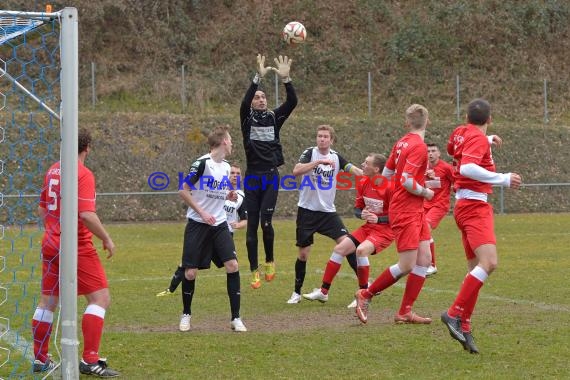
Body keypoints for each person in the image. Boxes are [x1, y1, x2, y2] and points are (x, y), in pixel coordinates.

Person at [32, 129, 120, 376]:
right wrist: (107, 238)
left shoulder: (53, 169)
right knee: (100, 298)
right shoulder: (82, 173)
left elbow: (41, 210)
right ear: (87, 147)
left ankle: (40, 359)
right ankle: (90, 360)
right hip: (75, 245)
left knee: (47, 301)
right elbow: (86, 215)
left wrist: (54, 228)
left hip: (50, 242)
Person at [441, 99, 521, 354]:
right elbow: (466, 166)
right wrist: (503, 179)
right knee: (489, 263)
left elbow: (455, 150)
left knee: (475, 269)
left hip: (462, 206)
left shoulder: (461, 132)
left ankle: (464, 324)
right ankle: (454, 314)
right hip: (475, 207)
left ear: (466, 116)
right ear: (489, 119)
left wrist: (485, 140)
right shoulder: (474, 136)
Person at [354, 104, 434, 325]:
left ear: (407, 122)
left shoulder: (401, 142)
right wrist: (425, 191)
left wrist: (414, 178)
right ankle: (365, 294)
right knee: (407, 264)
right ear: (428, 121)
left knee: (424, 259)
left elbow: (388, 173)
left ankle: (405, 312)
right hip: (407, 209)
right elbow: (407, 181)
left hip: (413, 209)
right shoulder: (419, 146)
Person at [177, 125, 247, 332]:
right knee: (190, 273)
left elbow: (216, 192)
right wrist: (201, 212)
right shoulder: (201, 164)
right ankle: (186, 315)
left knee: (233, 265)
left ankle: (236, 318)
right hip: (198, 225)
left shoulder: (226, 167)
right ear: (224, 142)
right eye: (231, 140)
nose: (232, 143)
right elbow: (183, 190)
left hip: (219, 224)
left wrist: (229, 195)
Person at [302, 153, 393, 306]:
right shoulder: (364, 182)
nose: (362, 165)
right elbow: (357, 209)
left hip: (385, 231)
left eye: (366, 162)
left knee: (361, 251)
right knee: (339, 249)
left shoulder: (390, 187)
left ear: (376, 168)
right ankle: (323, 292)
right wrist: (362, 214)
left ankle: (364, 295)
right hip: (368, 228)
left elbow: (399, 215)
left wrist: (380, 219)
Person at [285, 125, 363, 304]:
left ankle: (364, 288)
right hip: (307, 211)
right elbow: (296, 170)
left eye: (325, 136)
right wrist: (318, 163)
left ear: (331, 140)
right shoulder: (310, 153)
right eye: (319, 136)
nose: (321, 139)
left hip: (328, 213)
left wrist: (371, 175)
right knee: (303, 254)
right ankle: (296, 293)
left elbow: (355, 170)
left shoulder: (336, 157)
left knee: (348, 245)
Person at [240, 54, 298, 289]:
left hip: (271, 175)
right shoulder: (247, 117)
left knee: (266, 222)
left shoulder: (274, 117)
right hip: (252, 176)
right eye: (257, 97)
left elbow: (292, 102)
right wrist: (256, 79)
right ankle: (254, 271)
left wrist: (286, 79)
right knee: (251, 225)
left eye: (263, 96)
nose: (261, 99)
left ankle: (270, 261)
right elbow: (243, 103)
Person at [156, 163, 246, 297]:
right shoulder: (213, 191)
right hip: (205, 231)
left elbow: (246, 219)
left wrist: (238, 225)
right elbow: (191, 193)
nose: (235, 176)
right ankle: (170, 289)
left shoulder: (240, 196)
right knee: (187, 264)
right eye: (232, 173)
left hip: (224, 235)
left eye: (238, 174)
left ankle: (235, 296)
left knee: (233, 265)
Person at [424, 143, 454, 276]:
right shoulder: (423, 167)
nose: (430, 153)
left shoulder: (446, 168)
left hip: (439, 205)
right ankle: (422, 263)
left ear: (439, 153)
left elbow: (457, 180)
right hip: (424, 205)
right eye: (428, 151)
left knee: (424, 229)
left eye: (433, 151)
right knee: (418, 231)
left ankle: (432, 265)